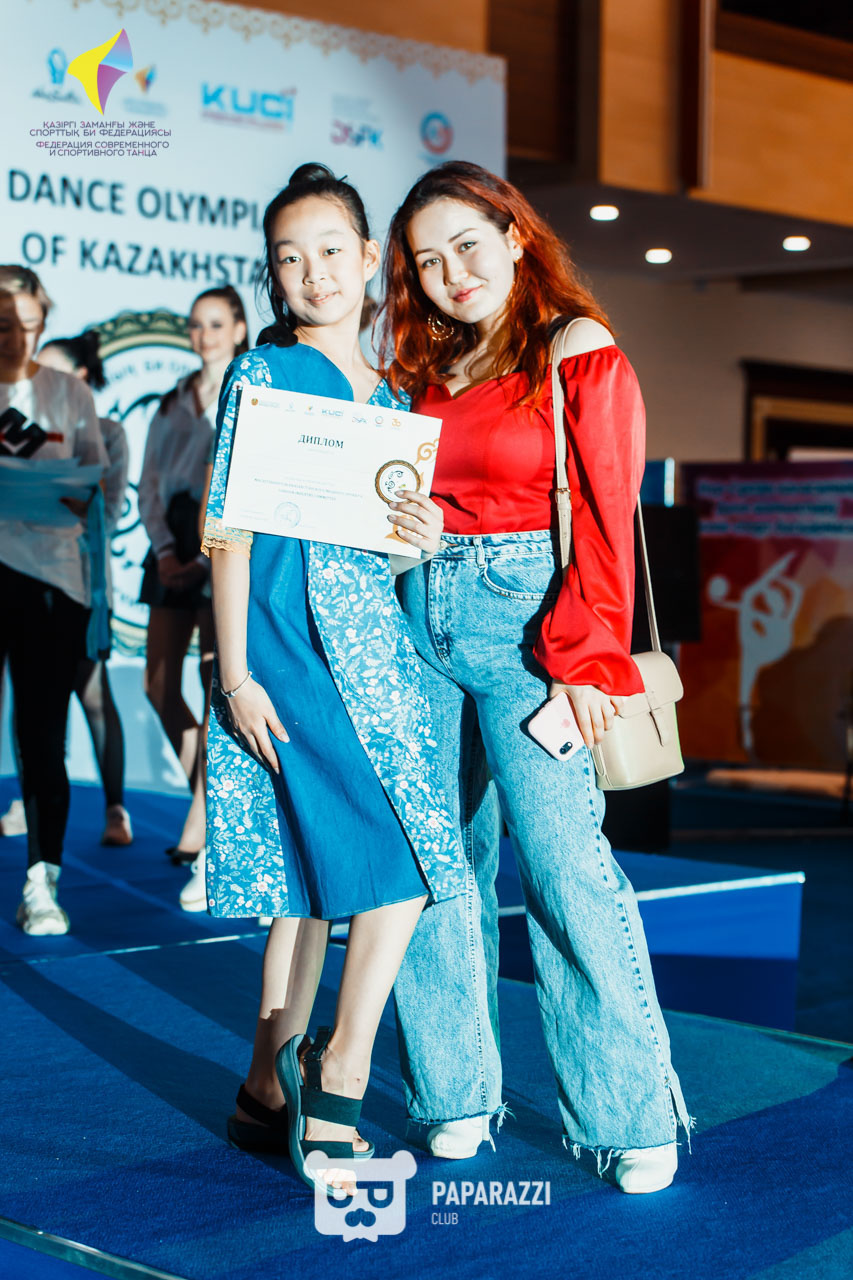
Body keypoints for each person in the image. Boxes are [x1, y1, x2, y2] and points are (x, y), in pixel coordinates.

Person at [380, 161, 692, 1193]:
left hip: (533, 631)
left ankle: (627, 1113)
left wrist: (586, 660)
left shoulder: (576, 349)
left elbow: (606, 519)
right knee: (436, 867)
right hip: (421, 616)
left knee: (564, 869)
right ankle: (454, 1095)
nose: (451, 273)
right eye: (428, 261)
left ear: (515, 236)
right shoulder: (427, 371)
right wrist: (407, 526)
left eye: (467, 245)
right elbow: (407, 502)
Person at [202, 163, 465, 1192]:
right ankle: (339, 1070)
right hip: (284, 645)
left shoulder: (394, 400)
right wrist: (235, 674)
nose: (310, 271)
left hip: (373, 652)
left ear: (366, 259)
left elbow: (381, 555)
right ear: (272, 276)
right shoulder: (263, 374)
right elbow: (229, 529)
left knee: (310, 876)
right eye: (287, 257)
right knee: (402, 846)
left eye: (327, 250)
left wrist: (419, 534)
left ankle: (264, 1090)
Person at [0, 266, 107, 935]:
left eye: (30, 323)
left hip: (52, 582)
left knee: (41, 736)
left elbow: (84, 489)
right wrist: (43, 479)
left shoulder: (69, 393)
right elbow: (59, 485)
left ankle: (42, 882)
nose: (18, 335)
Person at [137, 286, 248, 896]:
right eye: (196, 325)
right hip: (170, 542)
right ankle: (206, 802)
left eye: (215, 324)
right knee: (157, 684)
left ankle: (203, 823)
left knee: (214, 688)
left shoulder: (250, 388)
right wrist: (165, 552)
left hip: (223, 545)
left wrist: (206, 563)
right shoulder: (172, 399)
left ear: (238, 329)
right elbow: (149, 482)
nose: (204, 335)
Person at [38, 330, 132, 845]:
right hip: (29, 582)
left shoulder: (109, 434)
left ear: (78, 377)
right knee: (36, 701)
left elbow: (108, 515)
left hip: (84, 582)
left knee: (93, 695)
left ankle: (116, 808)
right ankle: (34, 803)